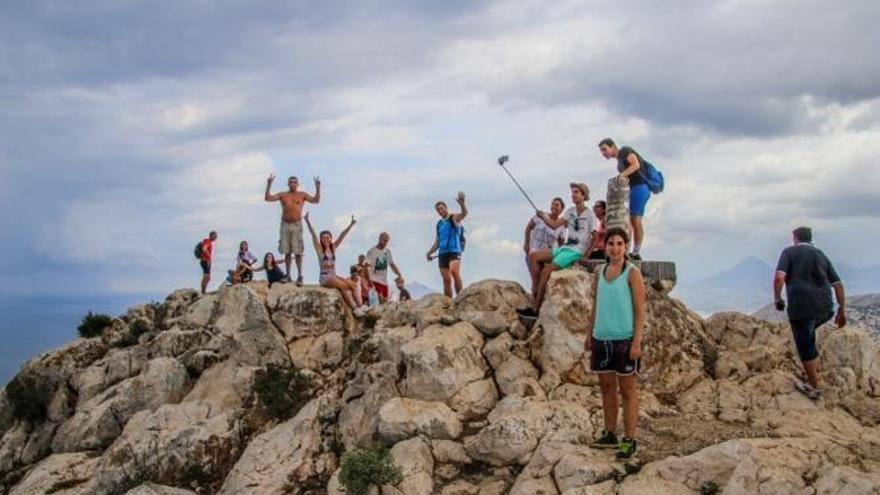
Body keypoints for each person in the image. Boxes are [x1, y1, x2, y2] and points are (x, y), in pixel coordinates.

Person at [586, 227, 646, 460]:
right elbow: (596, 304)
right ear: (605, 246)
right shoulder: (600, 272)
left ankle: (629, 439)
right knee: (607, 388)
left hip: (625, 339)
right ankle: (610, 433)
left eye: (620, 243)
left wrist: (637, 341)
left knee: (628, 391)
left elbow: (640, 310)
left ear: (625, 246)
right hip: (602, 338)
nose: (615, 247)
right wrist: (590, 333)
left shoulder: (632, 273)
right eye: (611, 243)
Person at [773, 226, 846, 400]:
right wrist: (841, 310)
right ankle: (813, 369)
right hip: (825, 309)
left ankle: (813, 387)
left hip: (801, 307)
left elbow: (779, 277)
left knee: (805, 344)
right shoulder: (821, 255)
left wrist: (777, 298)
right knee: (808, 334)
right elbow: (838, 285)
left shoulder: (789, 253)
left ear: (795, 238)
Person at [519, 183, 598, 317]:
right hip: (565, 248)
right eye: (572, 192)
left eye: (576, 192)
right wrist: (543, 216)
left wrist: (586, 256)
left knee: (546, 271)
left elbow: (595, 236)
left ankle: (535, 309)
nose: (573, 195)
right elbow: (554, 225)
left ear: (584, 195)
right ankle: (538, 287)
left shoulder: (590, 215)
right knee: (533, 256)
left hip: (576, 251)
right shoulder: (570, 211)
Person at [265, 174, 321, 286]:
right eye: (291, 182)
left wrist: (318, 187)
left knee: (298, 251)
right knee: (287, 251)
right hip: (285, 224)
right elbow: (268, 198)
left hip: (297, 224)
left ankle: (300, 275)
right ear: (288, 183)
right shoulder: (283, 195)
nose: (293, 184)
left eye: (295, 182)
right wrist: (269, 184)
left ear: (298, 184)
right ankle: (288, 275)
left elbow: (316, 200)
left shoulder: (302, 195)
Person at [598, 138, 650, 260]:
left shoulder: (625, 151)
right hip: (632, 189)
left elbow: (636, 164)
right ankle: (629, 251)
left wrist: (620, 176)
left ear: (613, 146)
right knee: (631, 221)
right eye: (601, 151)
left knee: (635, 220)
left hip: (640, 187)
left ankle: (636, 252)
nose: (603, 153)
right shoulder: (619, 164)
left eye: (604, 149)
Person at [304, 212, 364, 316]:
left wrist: (351, 224)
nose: (326, 239)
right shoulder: (320, 250)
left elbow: (342, 235)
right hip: (325, 277)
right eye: (323, 238)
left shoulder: (333, 248)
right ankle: (354, 309)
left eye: (328, 237)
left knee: (353, 285)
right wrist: (307, 221)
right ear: (321, 240)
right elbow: (313, 235)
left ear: (331, 238)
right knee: (344, 286)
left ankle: (360, 306)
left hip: (334, 275)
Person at [426, 191, 468, 304]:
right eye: (438, 210)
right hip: (442, 253)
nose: (440, 211)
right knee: (446, 280)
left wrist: (462, 204)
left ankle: (460, 299)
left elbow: (464, 214)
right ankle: (448, 303)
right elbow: (437, 242)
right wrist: (429, 253)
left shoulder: (453, 218)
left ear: (445, 207)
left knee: (455, 272)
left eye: (441, 208)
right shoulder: (439, 224)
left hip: (454, 251)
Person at [523, 198, 567, 300]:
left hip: (546, 256)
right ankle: (534, 303)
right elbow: (529, 228)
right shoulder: (540, 217)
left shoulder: (561, 226)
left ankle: (537, 304)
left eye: (557, 205)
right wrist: (526, 244)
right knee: (536, 280)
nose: (554, 207)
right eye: (553, 204)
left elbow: (561, 243)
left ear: (561, 209)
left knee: (542, 281)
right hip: (533, 251)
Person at [366, 232, 405, 304]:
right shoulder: (371, 251)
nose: (385, 243)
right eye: (384, 240)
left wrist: (399, 274)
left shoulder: (387, 251)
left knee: (385, 304)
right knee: (379, 301)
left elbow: (392, 265)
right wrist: (369, 280)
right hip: (374, 281)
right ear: (379, 239)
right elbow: (366, 267)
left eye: (387, 241)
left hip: (384, 282)